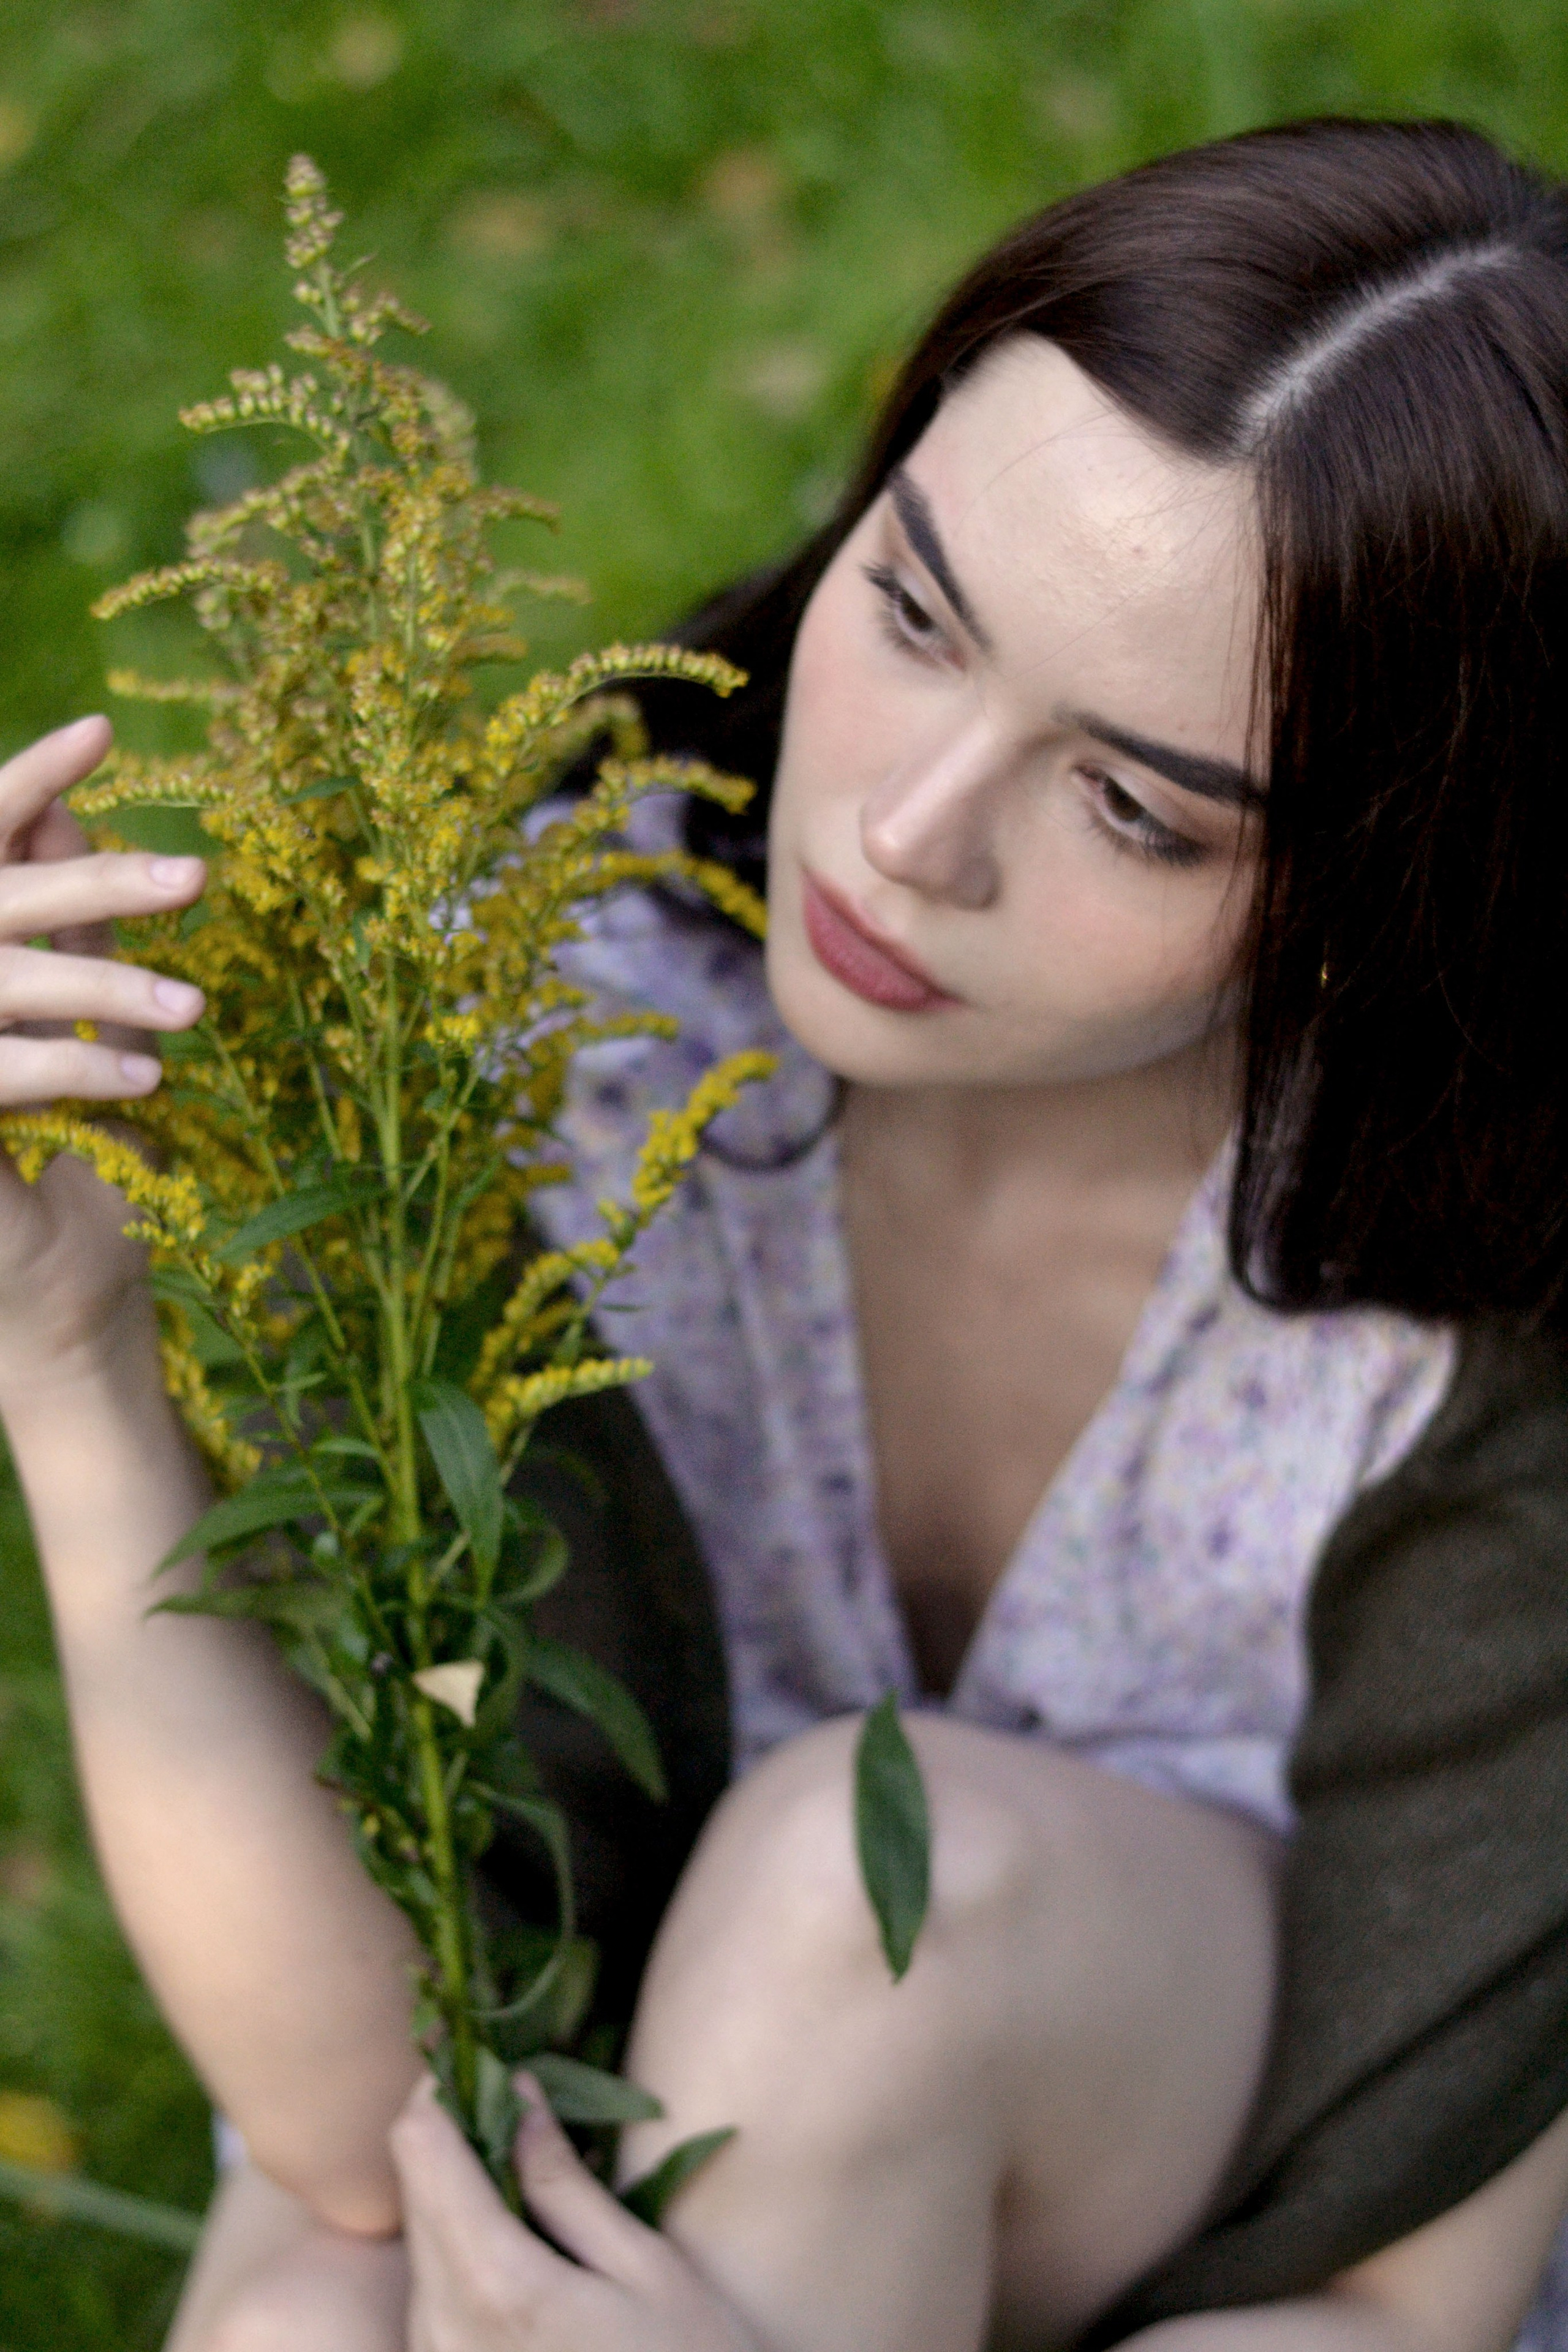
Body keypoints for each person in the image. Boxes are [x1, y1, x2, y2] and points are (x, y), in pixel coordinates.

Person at [5, 111, 1568, 2352]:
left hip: (1219, 2244)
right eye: (918, 609)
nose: (909, 833)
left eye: (1130, 801)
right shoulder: (531, 1050)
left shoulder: (1489, 1309)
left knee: (876, 1892)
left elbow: (1410, 2302)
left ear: (1402, 875)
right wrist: (64, 1350)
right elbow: (367, 2122)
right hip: (598, 2117)